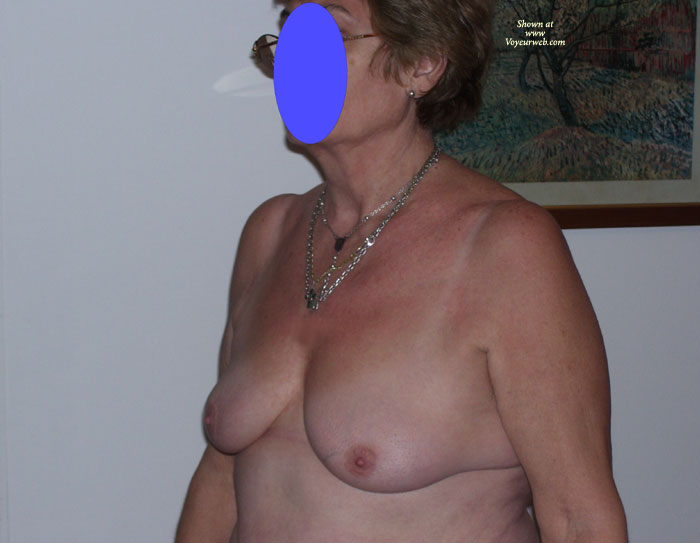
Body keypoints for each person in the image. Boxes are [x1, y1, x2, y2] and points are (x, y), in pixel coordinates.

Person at [176, 0, 628, 541]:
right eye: (292, 33)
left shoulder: (505, 247)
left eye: (329, 33)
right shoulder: (270, 233)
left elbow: (579, 518)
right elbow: (221, 476)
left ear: (423, 64)